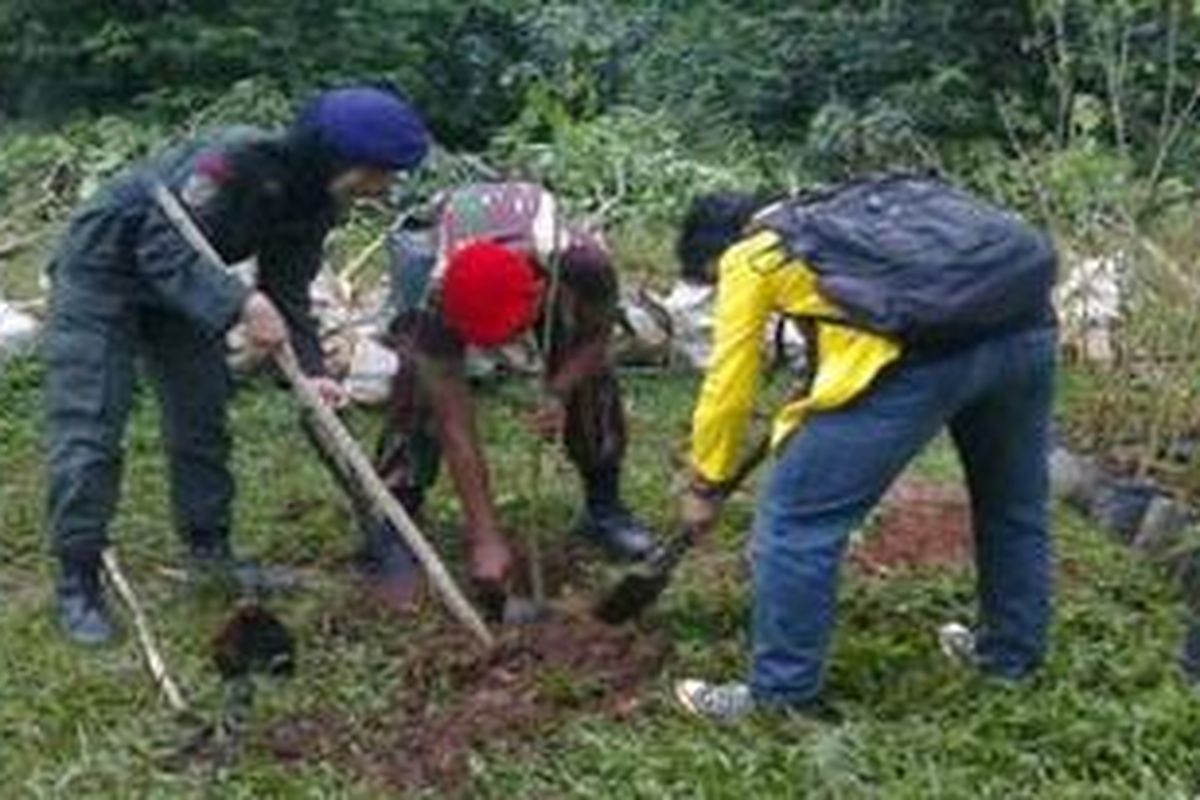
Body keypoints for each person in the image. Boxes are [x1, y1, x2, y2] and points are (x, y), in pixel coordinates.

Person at [45, 86, 430, 645]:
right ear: (336, 157)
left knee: (200, 416)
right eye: (379, 173)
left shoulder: (317, 201)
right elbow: (160, 243)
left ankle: (210, 552)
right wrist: (240, 304)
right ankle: (77, 580)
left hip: (182, 288)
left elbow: (288, 290)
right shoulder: (236, 160)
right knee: (91, 425)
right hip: (105, 271)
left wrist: (312, 368)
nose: (384, 187)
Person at [670, 175, 1058, 722]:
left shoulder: (753, 254)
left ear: (720, 247)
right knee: (1012, 506)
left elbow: (729, 386)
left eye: (710, 279)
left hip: (920, 361)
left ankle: (780, 698)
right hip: (1026, 332)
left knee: (796, 519)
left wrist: (707, 481)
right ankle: (1011, 656)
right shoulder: (856, 209)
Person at [359, 182, 655, 615]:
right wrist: (486, 538)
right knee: (417, 390)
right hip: (444, 272)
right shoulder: (431, 293)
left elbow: (597, 338)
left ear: (540, 293)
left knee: (593, 380)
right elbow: (454, 423)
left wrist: (558, 391)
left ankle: (604, 508)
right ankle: (396, 518)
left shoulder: (583, 264)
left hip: (553, 276)